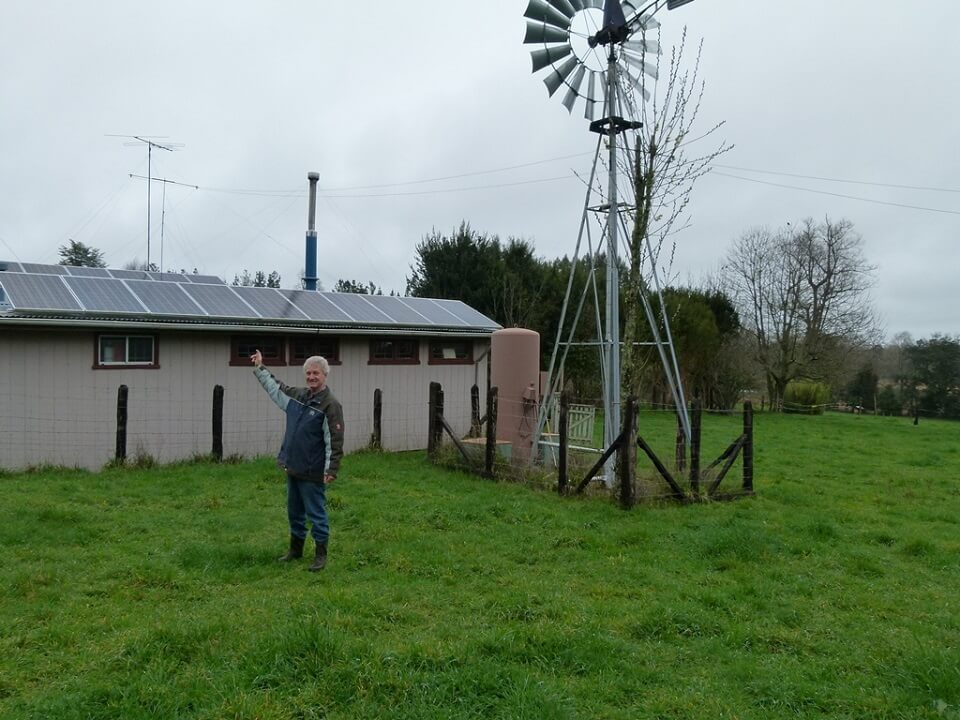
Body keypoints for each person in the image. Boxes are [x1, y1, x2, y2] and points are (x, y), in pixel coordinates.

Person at [251, 349, 344, 571]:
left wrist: (331, 468)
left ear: (325, 375)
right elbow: (276, 388)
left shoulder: (330, 405)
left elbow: (335, 439)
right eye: (308, 373)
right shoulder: (298, 396)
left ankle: (320, 555)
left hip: (313, 471)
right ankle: (296, 550)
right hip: (293, 466)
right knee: (294, 512)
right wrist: (260, 368)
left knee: (316, 513)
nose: (311, 377)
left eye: (316, 373)